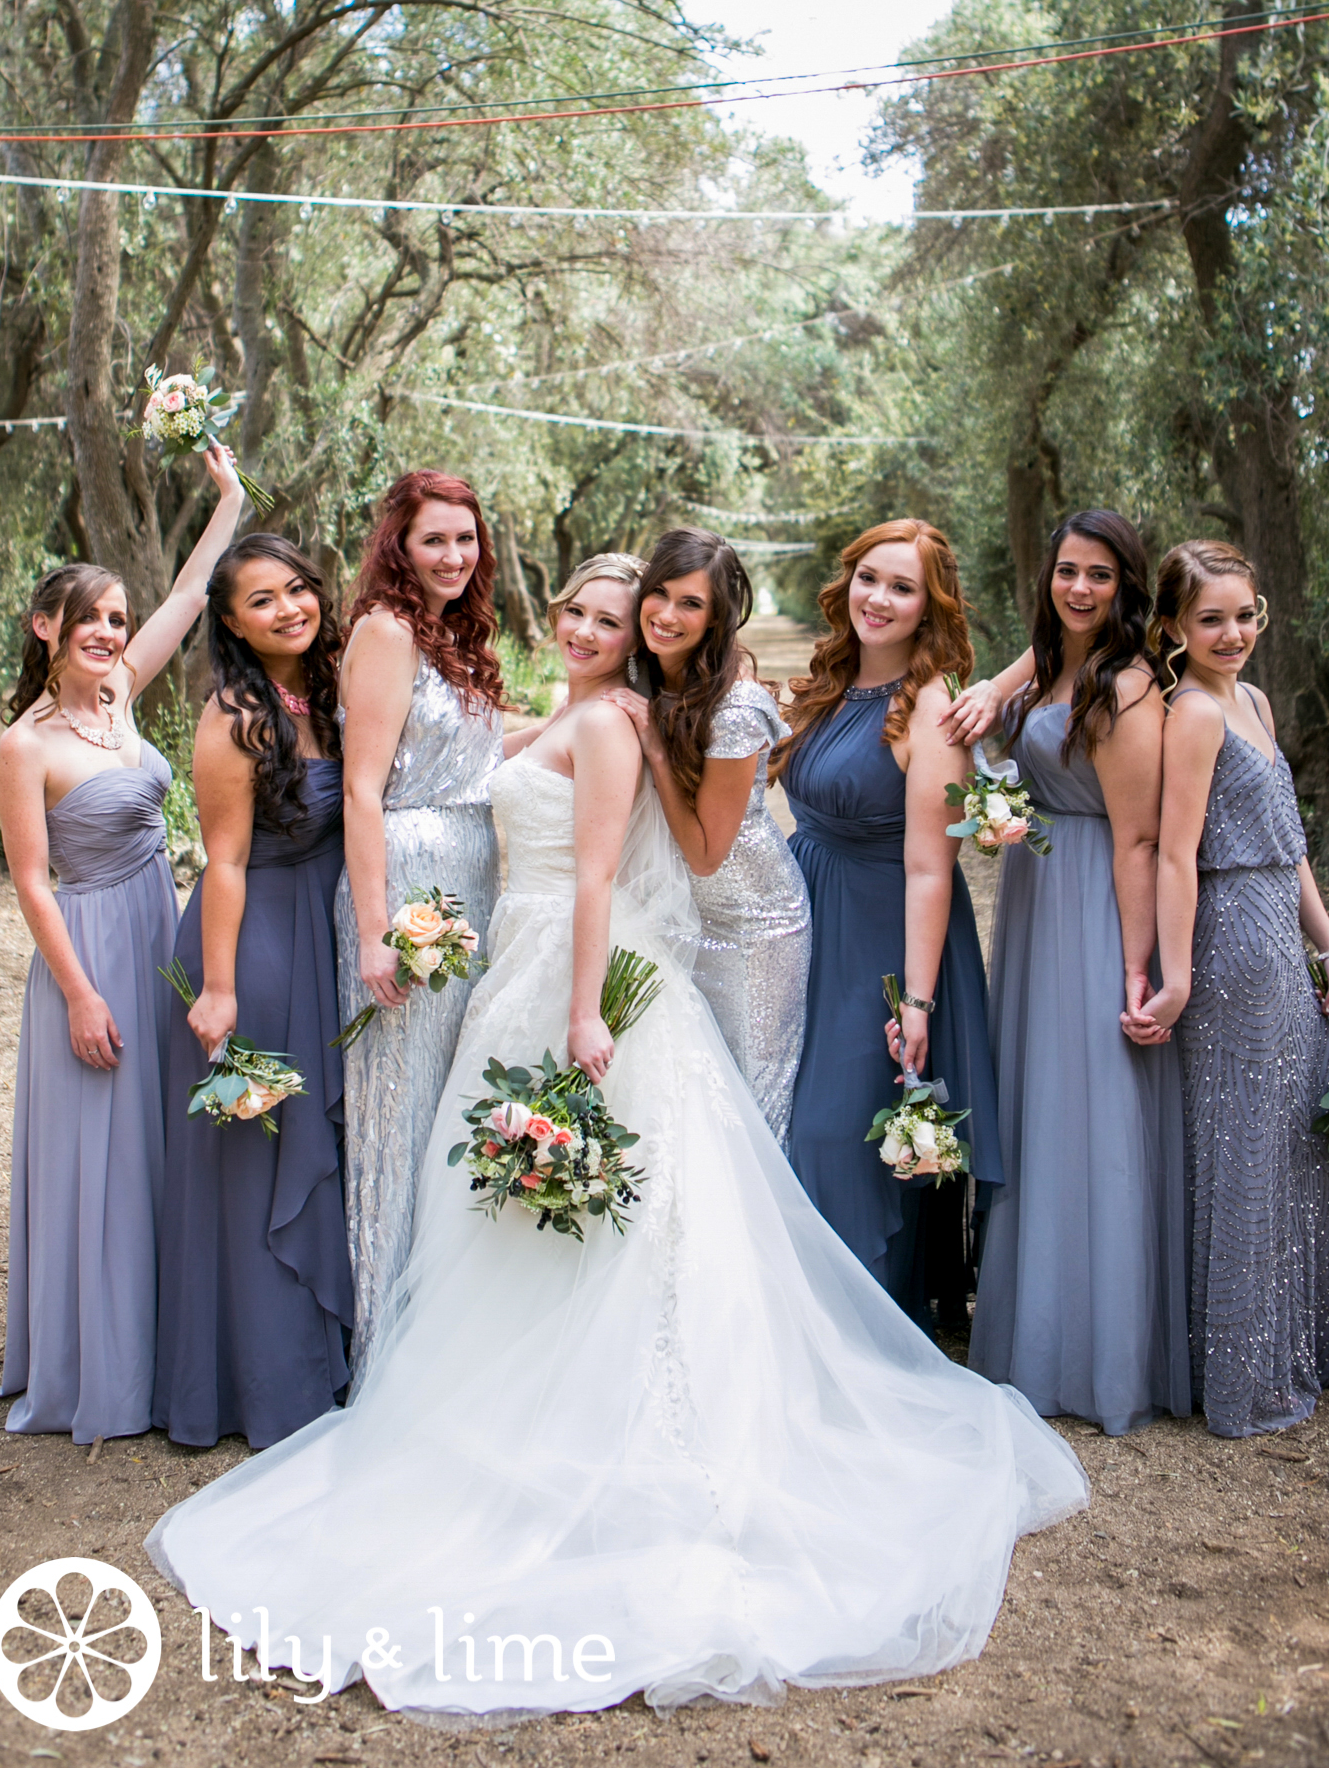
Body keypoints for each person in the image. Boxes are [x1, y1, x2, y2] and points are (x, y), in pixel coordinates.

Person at [145, 552, 1087, 1717]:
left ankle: (622, 1430)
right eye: (583, 612)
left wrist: (587, 1013)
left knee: (626, 1215)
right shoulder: (570, 713)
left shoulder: (613, 726)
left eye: (615, 615)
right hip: (520, 968)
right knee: (520, 1212)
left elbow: (601, 876)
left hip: (584, 978)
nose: (595, 629)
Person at [0, 448, 246, 1443]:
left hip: (160, 929)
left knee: (157, 1143)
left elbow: (191, 590)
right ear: (44, 628)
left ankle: (163, 1335)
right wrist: (80, 995)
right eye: (89, 617)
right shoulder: (27, 745)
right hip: (88, 945)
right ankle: (94, 1363)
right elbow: (27, 879)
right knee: (98, 1154)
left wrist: (230, 499)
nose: (107, 632)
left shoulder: (122, 697)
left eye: (116, 619)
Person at [1128, 539, 1329, 1436]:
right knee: (1245, 1141)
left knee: (1295, 1137)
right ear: (1173, 628)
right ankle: (1240, 1366)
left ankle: (1313, 1337)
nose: (1233, 633)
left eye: (1245, 615)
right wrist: (1179, 974)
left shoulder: (1255, 701)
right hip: (1233, 938)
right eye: (1210, 619)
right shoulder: (1194, 713)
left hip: (1284, 924)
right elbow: (1175, 850)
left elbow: (1292, 842)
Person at [954, 512, 1191, 1436]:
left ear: (1128, 586)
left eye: (1099, 575)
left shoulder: (1129, 688)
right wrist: (1002, 682)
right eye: (1066, 571)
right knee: (1040, 1106)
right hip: (1034, 900)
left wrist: (1136, 966)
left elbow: (1137, 838)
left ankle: (1096, 1350)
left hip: (1094, 908)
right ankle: (1030, 1328)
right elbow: (1027, 684)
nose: (1081, 588)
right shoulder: (1054, 664)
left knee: (1091, 1111)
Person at [152, 535, 354, 1450]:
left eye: (298, 589)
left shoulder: (326, 692)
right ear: (230, 622)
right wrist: (222, 990)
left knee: (323, 1143)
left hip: (320, 925)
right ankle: (259, 1385)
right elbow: (224, 862)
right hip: (257, 939)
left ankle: (323, 1357)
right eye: (262, 600)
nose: (289, 609)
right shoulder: (233, 715)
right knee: (260, 1158)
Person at [774, 519, 1000, 1333]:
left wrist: (917, 1002)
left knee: (838, 1133)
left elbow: (930, 866)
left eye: (903, 587)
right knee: (786, 1117)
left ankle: (863, 1327)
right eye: (870, 578)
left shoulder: (930, 709)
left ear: (929, 606)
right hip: (807, 923)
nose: (879, 598)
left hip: (884, 940)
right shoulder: (831, 681)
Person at [335, 470, 508, 1383]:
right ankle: (390, 1351)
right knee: (399, 1111)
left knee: (448, 1095)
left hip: (470, 876)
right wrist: (374, 930)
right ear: (398, 543)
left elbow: (478, 758)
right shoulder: (387, 630)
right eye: (434, 539)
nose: (453, 555)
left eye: (466, 539)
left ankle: (448, 1331)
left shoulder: (454, 635)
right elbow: (363, 787)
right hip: (405, 883)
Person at [612, 526, 810, 1145]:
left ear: (718, 618)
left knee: (748, 1110)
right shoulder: (641, 678)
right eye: (660, 593)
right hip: (672, 915)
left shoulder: (736, 707)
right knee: (683, 1103)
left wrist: (658, 752)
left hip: (754, 928)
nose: (668, 615)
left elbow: (704, 854)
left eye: (691, 604)